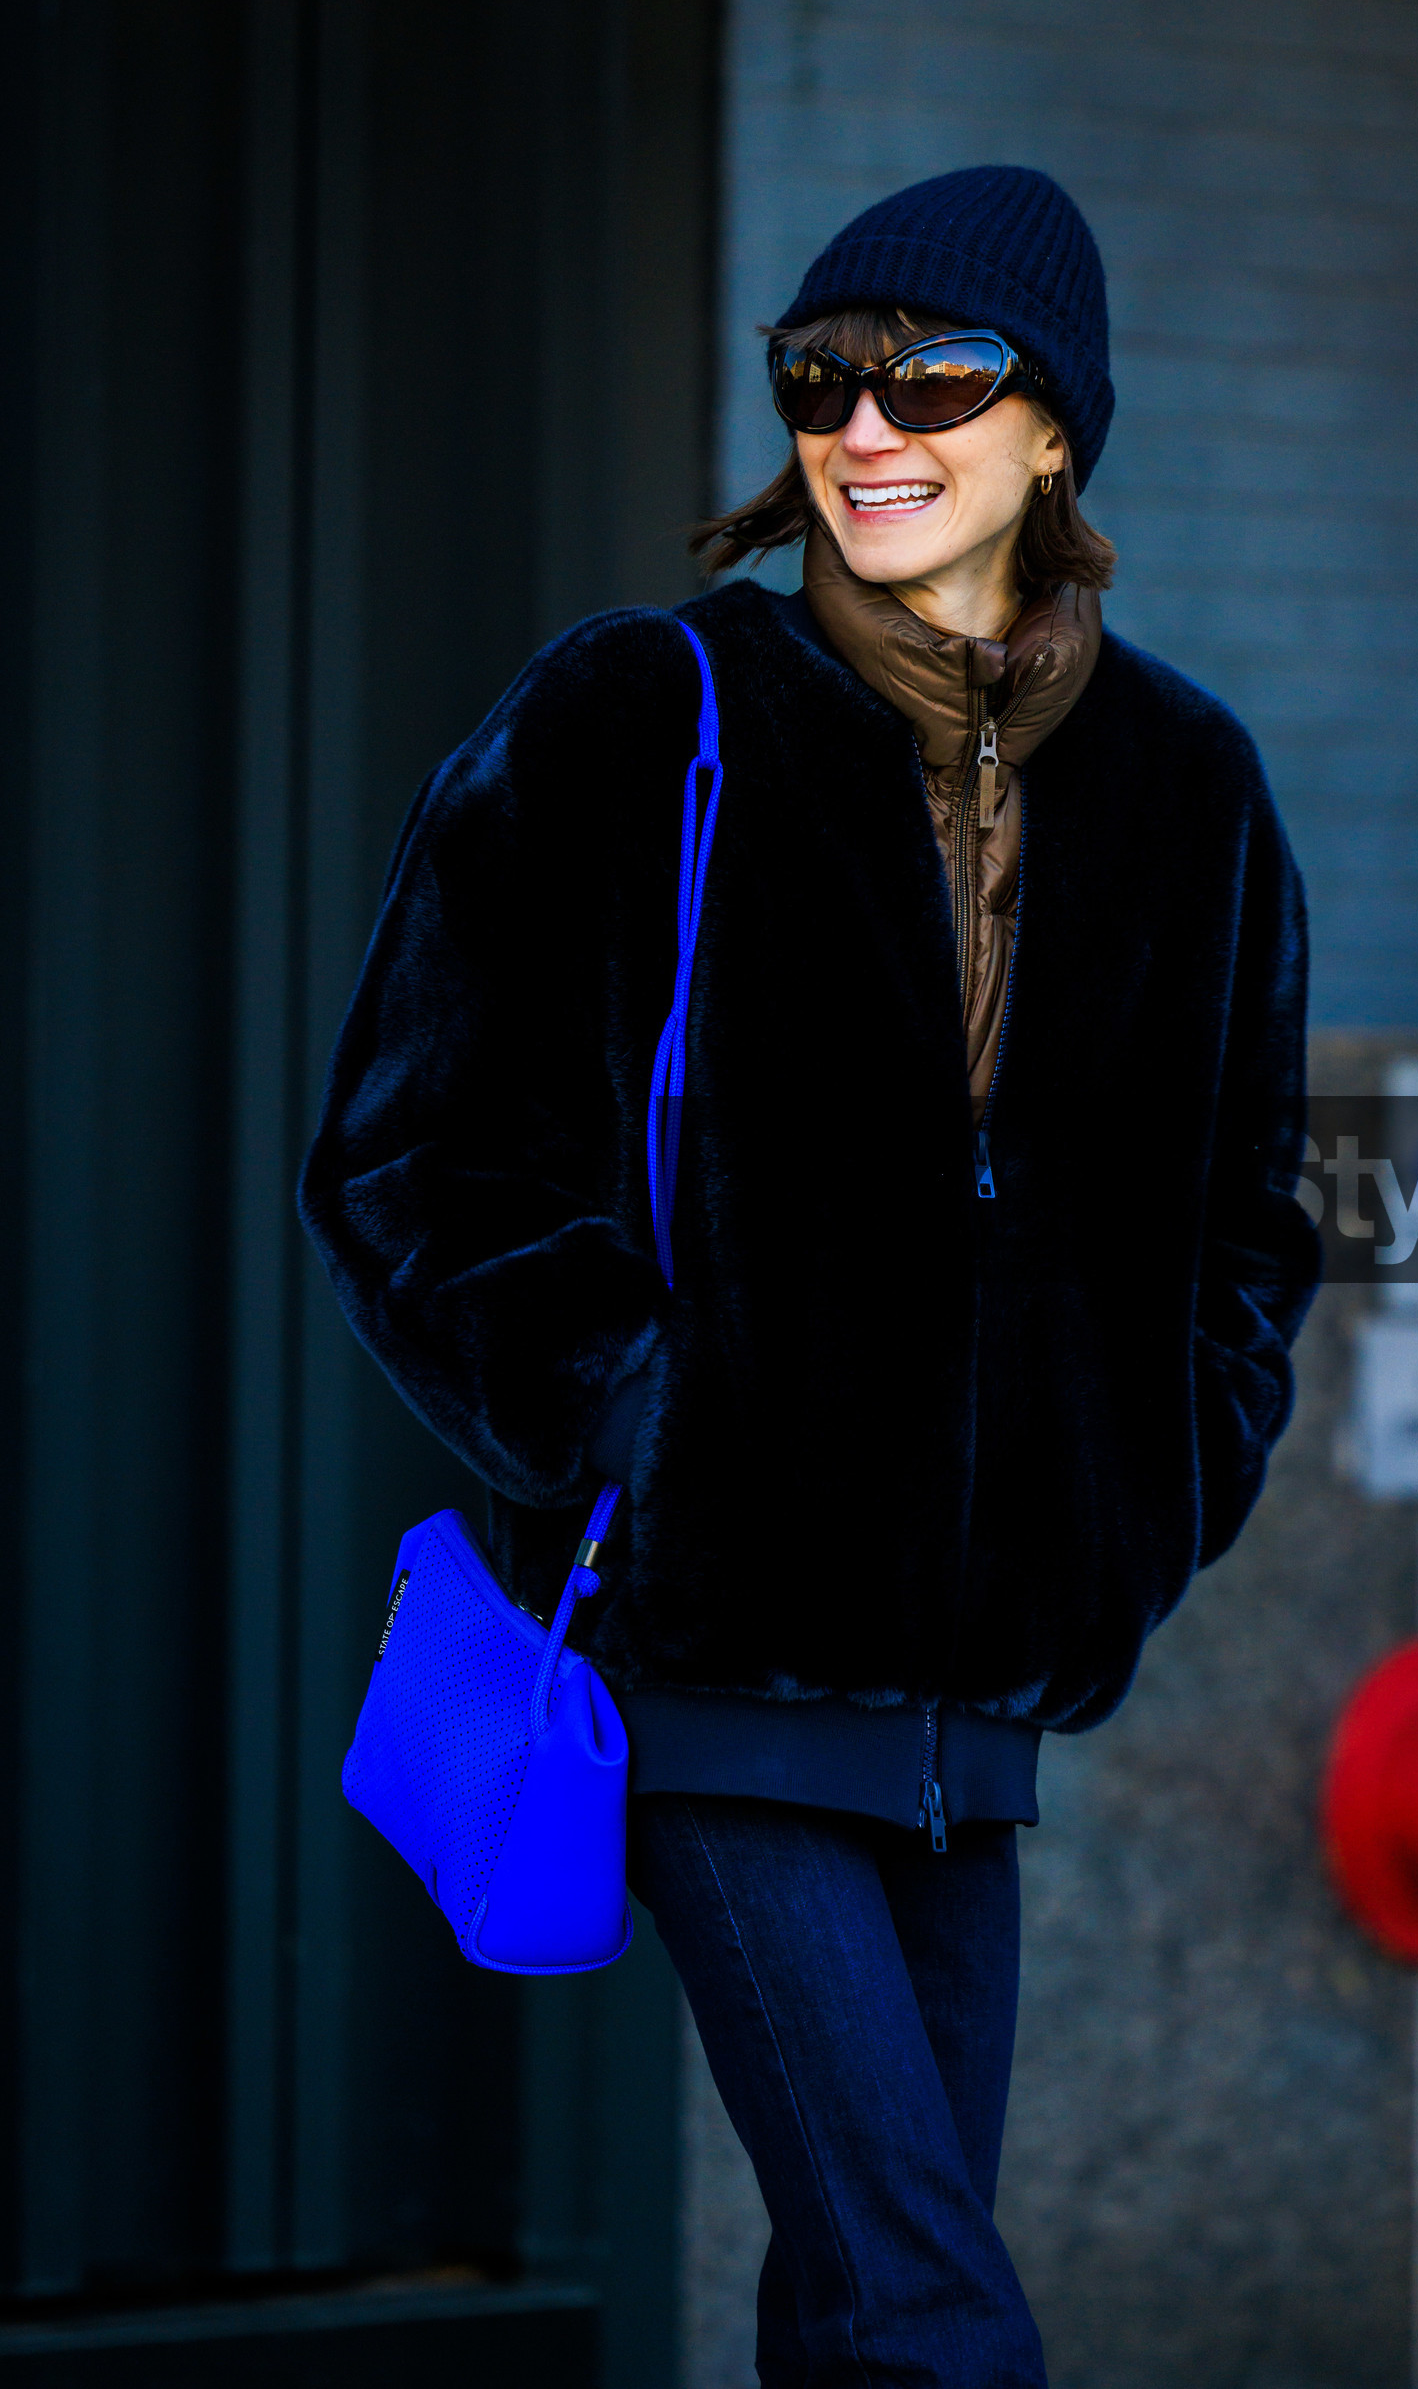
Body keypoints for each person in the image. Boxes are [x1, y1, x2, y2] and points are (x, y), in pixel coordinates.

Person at [301, 165, 1320, 2389]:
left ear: (1057, 432)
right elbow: (404, 1147)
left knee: (858, 2298)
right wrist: (642, 1431)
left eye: (932, 376)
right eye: (819, 379)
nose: (864, 427)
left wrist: (1136, 1504)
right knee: (931, 2311)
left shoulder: (1187, 791)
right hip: (719, 1659)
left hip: (982, 1710)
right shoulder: (629, 719)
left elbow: (1250, 1222)